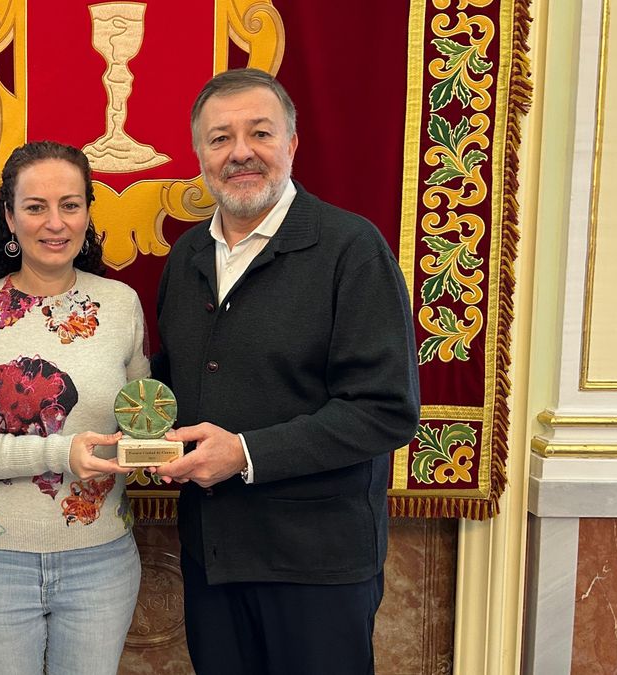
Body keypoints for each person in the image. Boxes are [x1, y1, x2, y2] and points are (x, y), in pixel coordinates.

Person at [152, 68, 421, 674]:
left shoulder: (350, 249)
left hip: (317, 568)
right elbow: (174, 385)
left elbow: (385, 409)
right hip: (212, 557)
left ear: (292, 145)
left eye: (260, 133)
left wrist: (245, 454)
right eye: (220, 138)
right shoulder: (188, 255)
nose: (240, 152)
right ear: (199, 155)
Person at [0, 141, 147, 675]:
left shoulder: (121, 304)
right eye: (35, 207)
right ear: (9, 215)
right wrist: (62, 453)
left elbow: (143, 417)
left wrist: (156, 453)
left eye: (70, 205)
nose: (55, 222)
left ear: (89, 212)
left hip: (103, 560)